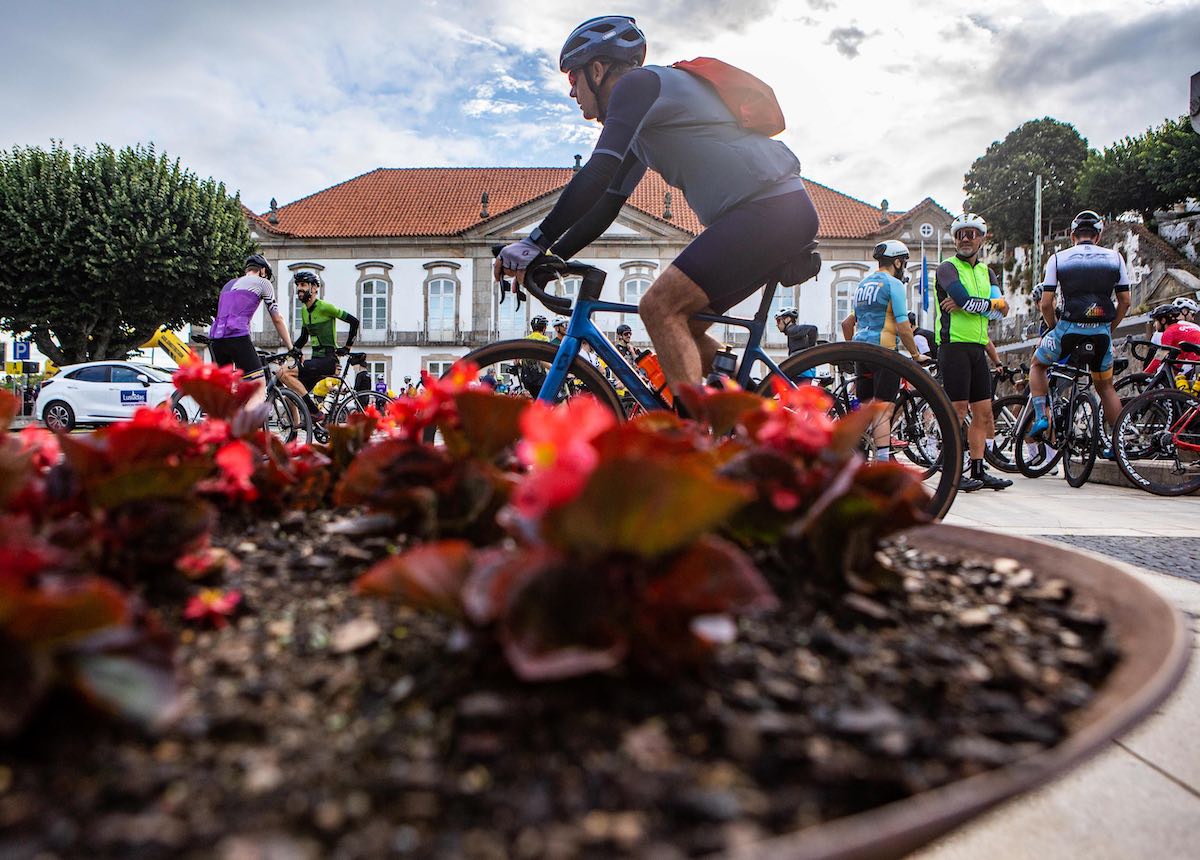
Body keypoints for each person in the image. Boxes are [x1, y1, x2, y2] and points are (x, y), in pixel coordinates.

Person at [495, 15, 819, 400]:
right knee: (687, 325)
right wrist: (554, 258)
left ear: (597, 70)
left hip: (769, 210)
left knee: (660, 307)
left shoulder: (637, 85)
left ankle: (691, 432)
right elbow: (606, 206)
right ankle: (755, 414)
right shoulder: (642, 120)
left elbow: (598, 170)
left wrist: (535, 241)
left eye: (572, 77)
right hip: (770, 213)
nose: (571, 92)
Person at [1027, 210, 1131, 457]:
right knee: (1105, 387)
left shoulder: (1058, 258)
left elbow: (1046, 303)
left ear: (1073, 235)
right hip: (1101, 332)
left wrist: (1054, 327)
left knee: (1037, 366)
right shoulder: (1115, 258)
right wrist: (1109, 328)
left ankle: (1042, 416)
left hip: (1068, 329)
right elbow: (1125, 301)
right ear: (1098, 235)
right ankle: (1119, 446)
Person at [935, 214, 1011, 491]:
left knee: (984, 413)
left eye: (971, 234)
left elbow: (1002, 311)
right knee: (956, 411)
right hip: (953, 346)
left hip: (978, 347)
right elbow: (967, 301)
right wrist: (988, 304)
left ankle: (978, 469)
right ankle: (952, 470)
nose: (965, 239)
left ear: (981, 239)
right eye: (960, 234)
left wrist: (978, 305)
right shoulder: (947, 268)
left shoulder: (987, 272)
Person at [839, 240, 930, 462]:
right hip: (884, 352)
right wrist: (916, 355)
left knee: (866, 408)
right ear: (897, 262)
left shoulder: (863, 285)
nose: (904, 268)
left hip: (862, 352)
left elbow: (847, 323)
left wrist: (853, 349)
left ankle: (857, 456)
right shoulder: (893, 284)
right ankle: (882, 460)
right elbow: (903, 325)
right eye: (904, 263)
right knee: (883, 410)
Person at [208, 254, 296, 409]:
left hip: (216, 339)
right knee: (259, 389)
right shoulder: (263, 283)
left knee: (227, 391)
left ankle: (224, 420)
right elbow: (277, 318)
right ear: (263, 271)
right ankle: (245, 424)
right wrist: (291, 347)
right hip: (237, 337)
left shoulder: (228, 285)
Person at [278, 271, 360, 421]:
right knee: (291, 396)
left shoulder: (325, 307)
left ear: (314, 288)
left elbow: (354, 322)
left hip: (328, 360)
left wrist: (347, 347)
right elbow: (303, 338)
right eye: (298, 285)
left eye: (303, 285)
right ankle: (297, 431)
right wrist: (289, 353)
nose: (299, 288)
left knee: (284, 373)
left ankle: (315, 412)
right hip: (316, 360)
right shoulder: (304, 310)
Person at [1144, 299, 1200, 375]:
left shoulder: (1169, 332)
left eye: (1155, 321)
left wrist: (1145, 373)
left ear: (1163, 320)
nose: (1154, 325)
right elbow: (1181, 357)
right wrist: (1174, 373)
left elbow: (1160, 356)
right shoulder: (1182, 328)